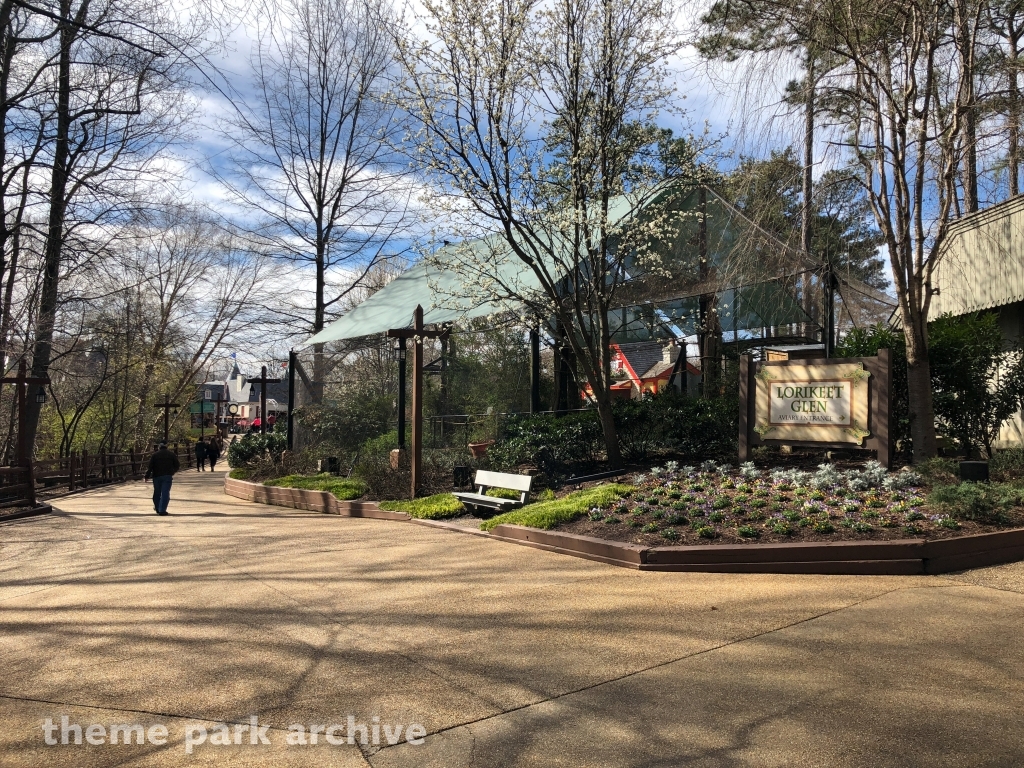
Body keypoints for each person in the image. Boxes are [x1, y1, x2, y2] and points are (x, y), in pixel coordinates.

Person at [145, 443, 180, 515]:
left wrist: (147, 476)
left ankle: (157, 507)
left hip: (156, 476)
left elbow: (150, 466)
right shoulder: (171, 454)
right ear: (166, 447)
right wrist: (173, 471)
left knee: (157, 492)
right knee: (165, 492)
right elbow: (177, 465)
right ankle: (162, 509)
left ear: (159, 447)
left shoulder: (155, 455)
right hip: (167, 476)